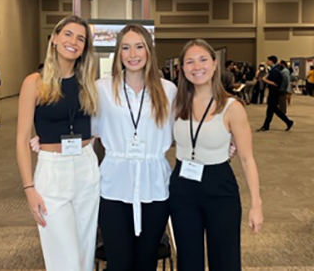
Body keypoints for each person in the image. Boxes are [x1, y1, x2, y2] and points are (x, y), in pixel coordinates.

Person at [169, 39, 263, 271]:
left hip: (219, 187)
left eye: (203, 60)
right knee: (189, 260)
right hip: (182, 188)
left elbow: (247, 158)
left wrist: (256, 204)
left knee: (225, 259)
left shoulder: (231, 107)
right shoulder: (176, 104)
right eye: (189, 62)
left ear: (214, 64)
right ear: (182, 68)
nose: (196, 67)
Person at [16, 15, 99, 271]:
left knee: (85, 255)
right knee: (65, 261)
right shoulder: (35, 83)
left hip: (86, 168)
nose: (73, 41)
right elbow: (21, 139)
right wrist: (29, 188)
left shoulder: (89, 84)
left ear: (85, 47)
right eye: (68, 34)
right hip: (52, 172)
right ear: (54, 39)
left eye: (81, 38)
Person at [94, 25, 177, 271]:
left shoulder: (167, 90)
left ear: (149, 51)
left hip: (154, 186)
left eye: (139, 46)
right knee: (119, 263)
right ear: (118, 52)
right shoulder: (103, 89)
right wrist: (49, 142)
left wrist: (223, 144)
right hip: (114, 187)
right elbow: (87, 131)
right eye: (126, 47)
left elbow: (182, 133)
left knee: (146, 262)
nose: (133, 54)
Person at [257, 56, 294, 132]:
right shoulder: (274, 69)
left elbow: (276, 83)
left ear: (271, 61)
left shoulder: (275, 71)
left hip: (274, 93)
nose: (267, 62)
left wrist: (265, 80)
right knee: (272, 110)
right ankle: (267, 125)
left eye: (268, 60)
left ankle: (287, 122)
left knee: (273, 109)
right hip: (273, 92)